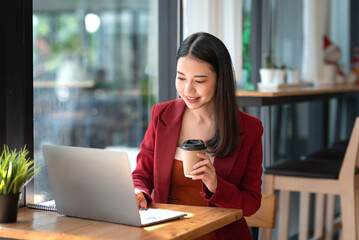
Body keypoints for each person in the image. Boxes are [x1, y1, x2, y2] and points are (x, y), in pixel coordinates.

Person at [132, 32, 263, 240]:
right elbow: (142, 175)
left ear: (221, 79)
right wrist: (139, 192)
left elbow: (252, 203)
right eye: (181, 78)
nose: (187, 90)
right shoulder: (161, 115)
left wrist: (216, 185)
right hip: (166, 233)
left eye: (199, 81)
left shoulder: (249, 129)